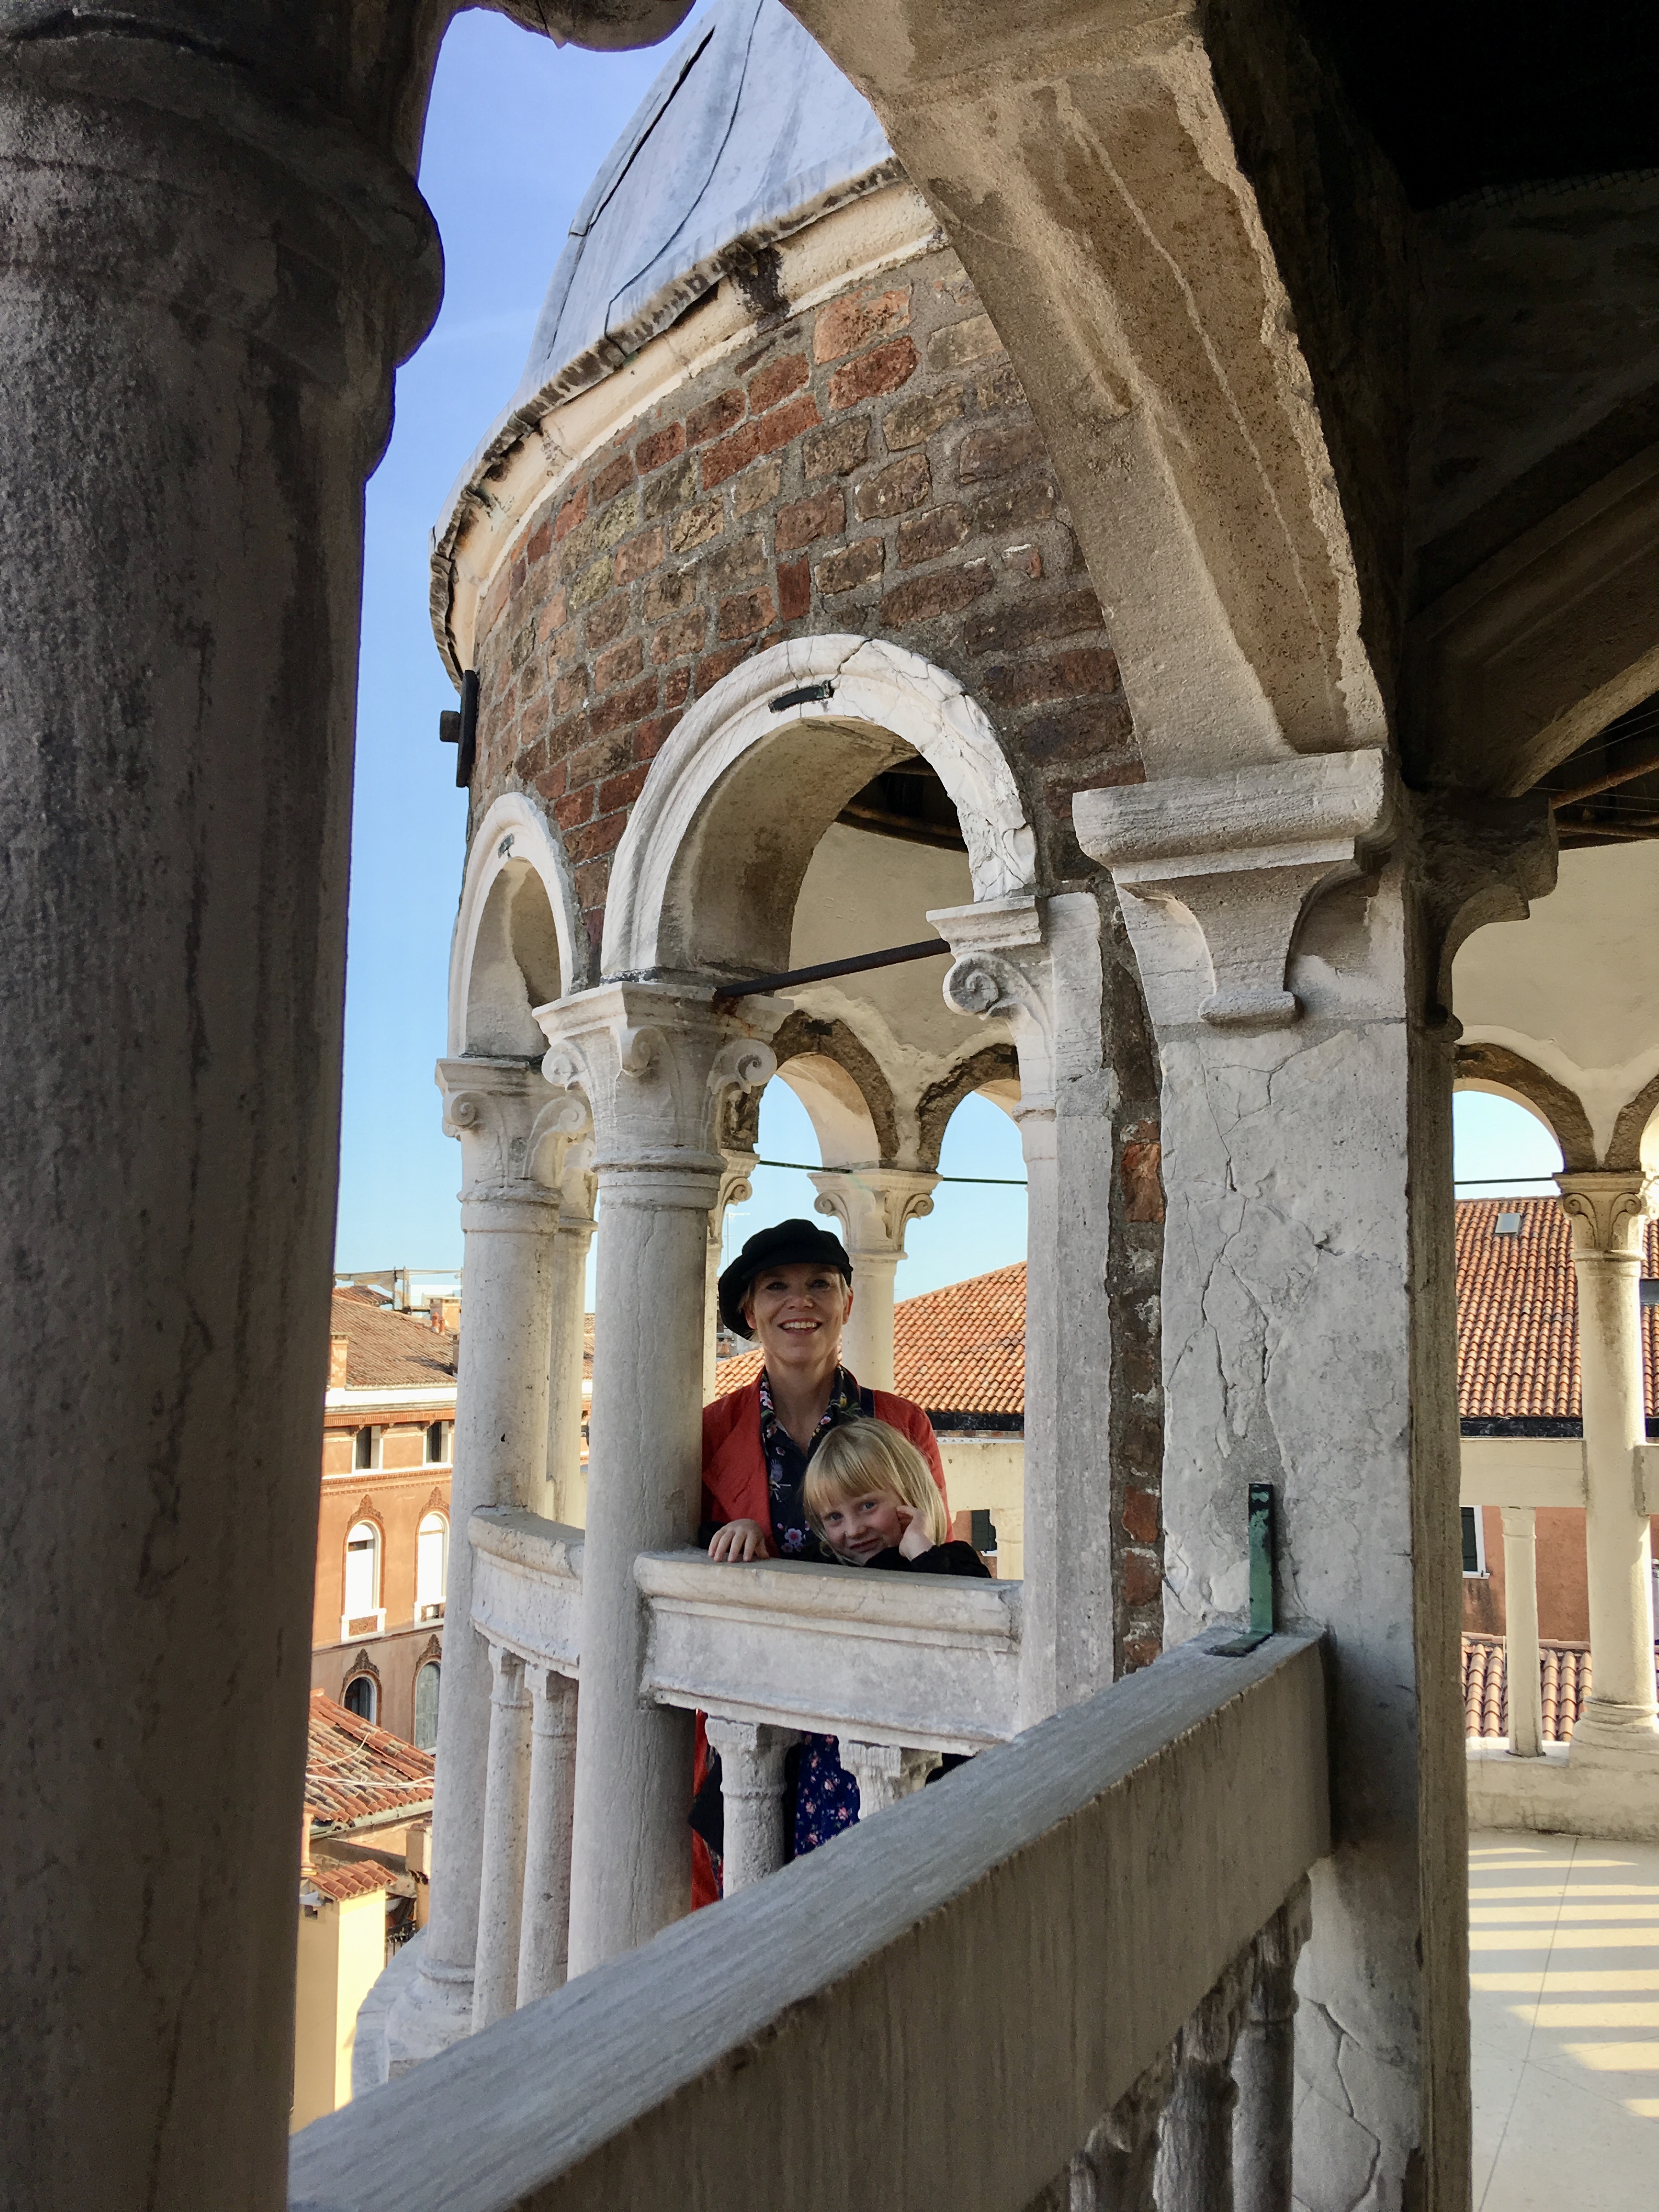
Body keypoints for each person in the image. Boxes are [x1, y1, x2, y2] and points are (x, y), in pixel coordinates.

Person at [694, 1219, 951, 1898]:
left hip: (874, 1710)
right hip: (762, 1714)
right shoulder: (709, 1434)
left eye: (819, 1285)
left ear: (848, 1302)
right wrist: (737, 1531)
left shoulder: (903, 1424)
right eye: (776, 1287)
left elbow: (936, 1559)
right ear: (750, 1312)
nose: (798, 1302)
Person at [805, 1418, 992, 1581]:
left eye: (868, 1505)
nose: (854, 1531)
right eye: (835, 1517)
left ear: (909, 1494)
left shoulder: (956, 1561)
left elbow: (970, 1607)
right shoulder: (820, 1567)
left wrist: (922, 1552)